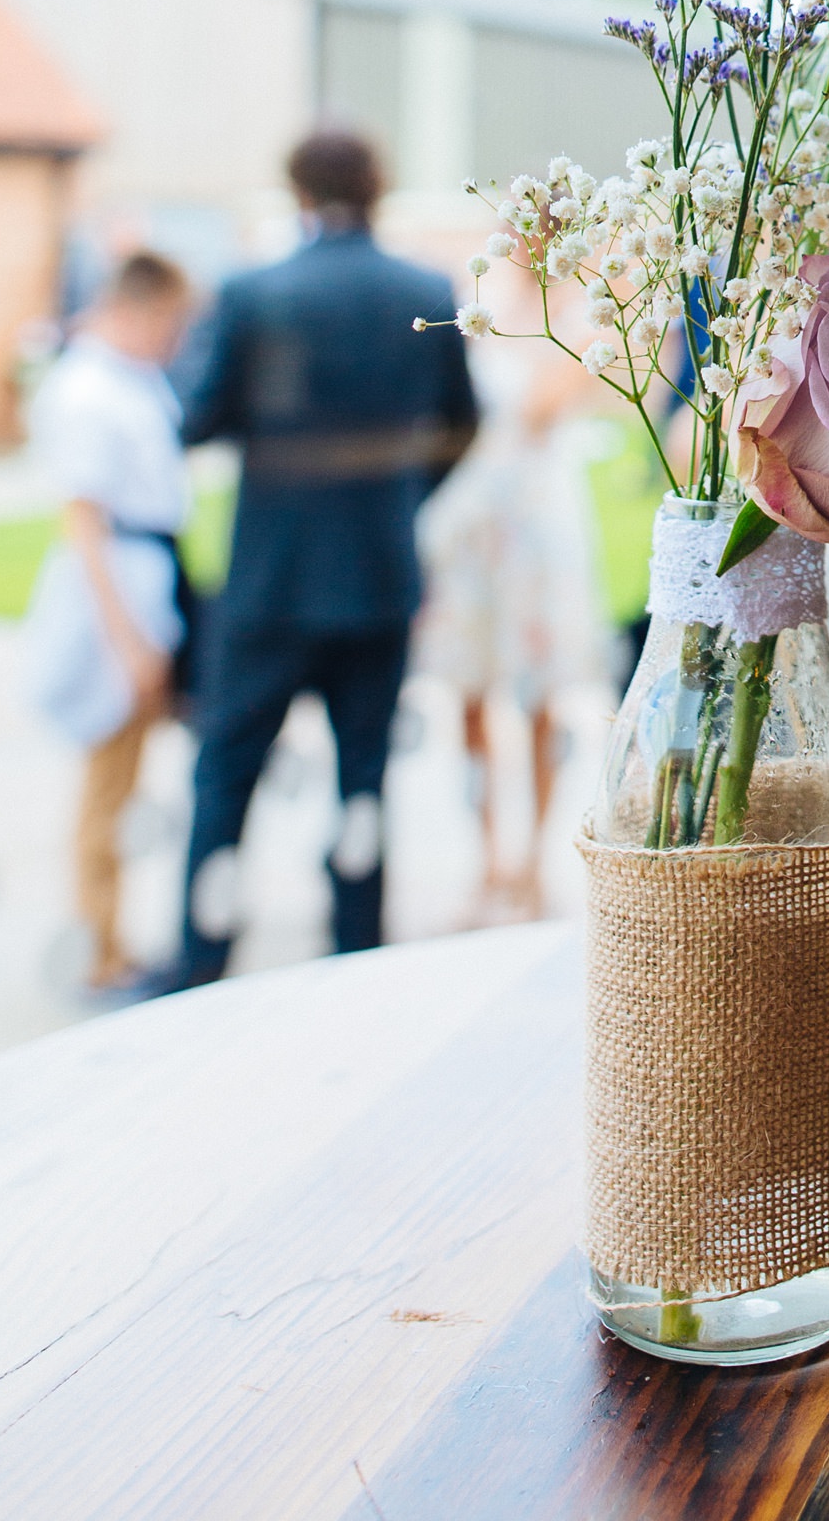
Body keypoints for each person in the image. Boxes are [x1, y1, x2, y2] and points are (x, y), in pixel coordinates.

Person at [170, 129, 476, 982]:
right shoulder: (422, 289)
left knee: (228, 774)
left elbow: (195, 420)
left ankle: (202, 954)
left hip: (271, 577)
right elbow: (462, 425)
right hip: (378, 575)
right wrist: (400, 498)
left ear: (296, 187)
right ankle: (355, 954)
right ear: (377, 187)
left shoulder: (252, 291)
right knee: (364, 776)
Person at [20, 250, 197, 993]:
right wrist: (127, 639)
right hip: (117, 587)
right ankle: (98, 940)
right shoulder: (89, 389)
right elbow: (84, 520)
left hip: (148, 571)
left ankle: (112, 932)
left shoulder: (130, 380)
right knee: (107, 777)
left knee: (123, 776)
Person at [412, 344, 611, 914]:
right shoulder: (471, 306)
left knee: (540, 704)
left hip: (533, 527)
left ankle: (535, 860)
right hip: (471, 524)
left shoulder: (576, 319)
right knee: (467, 700)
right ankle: (487, 856)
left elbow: (542, 407)